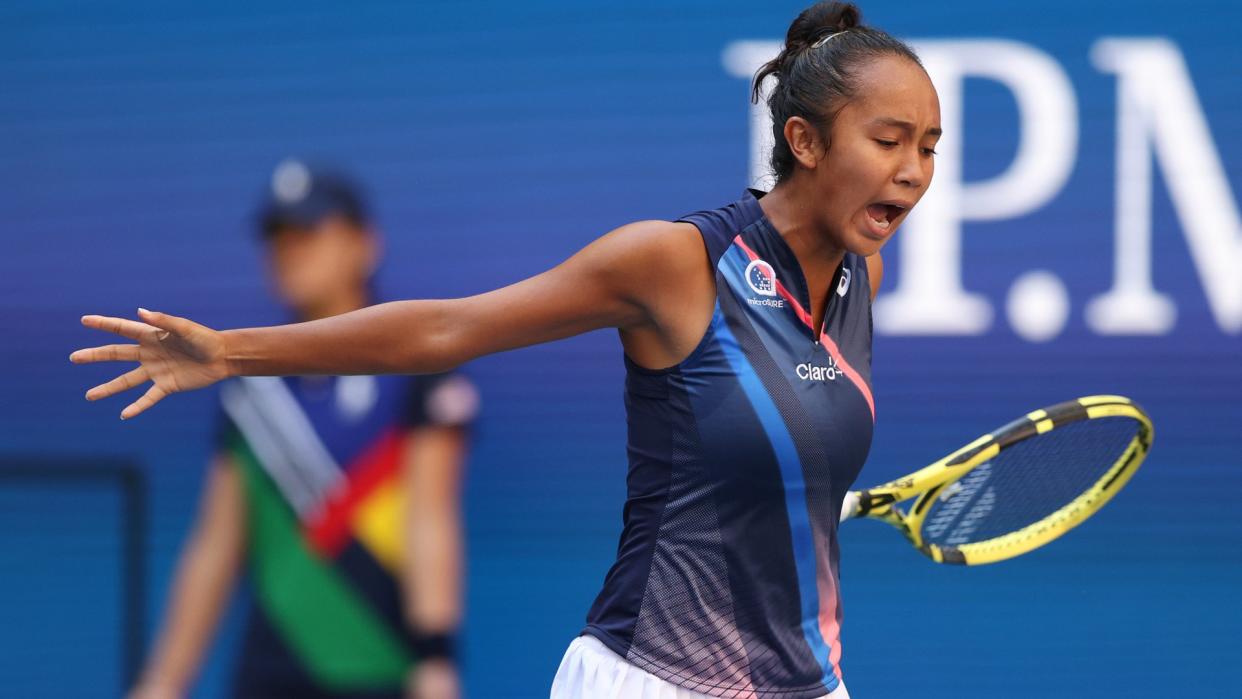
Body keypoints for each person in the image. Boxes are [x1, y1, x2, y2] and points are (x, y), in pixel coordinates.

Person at [74, 3, 939, 696]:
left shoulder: (866, 275)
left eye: (929, 146)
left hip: (810, 683)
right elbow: (450, 327)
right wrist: (230, 352)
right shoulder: (677, 263)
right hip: (651, 677)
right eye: (889, 139)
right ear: (804, 141)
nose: (913, 170)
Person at [124, 161, 479, 699]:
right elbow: (216, 543)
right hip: (267, 676)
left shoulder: (417, 372)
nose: (288, 252)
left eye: (308, 233)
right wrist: (165, 680)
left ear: (365, 244)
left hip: (380, 670)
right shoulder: (247, 385)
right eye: (277, 239)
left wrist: (436, 660)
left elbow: (431, 519)